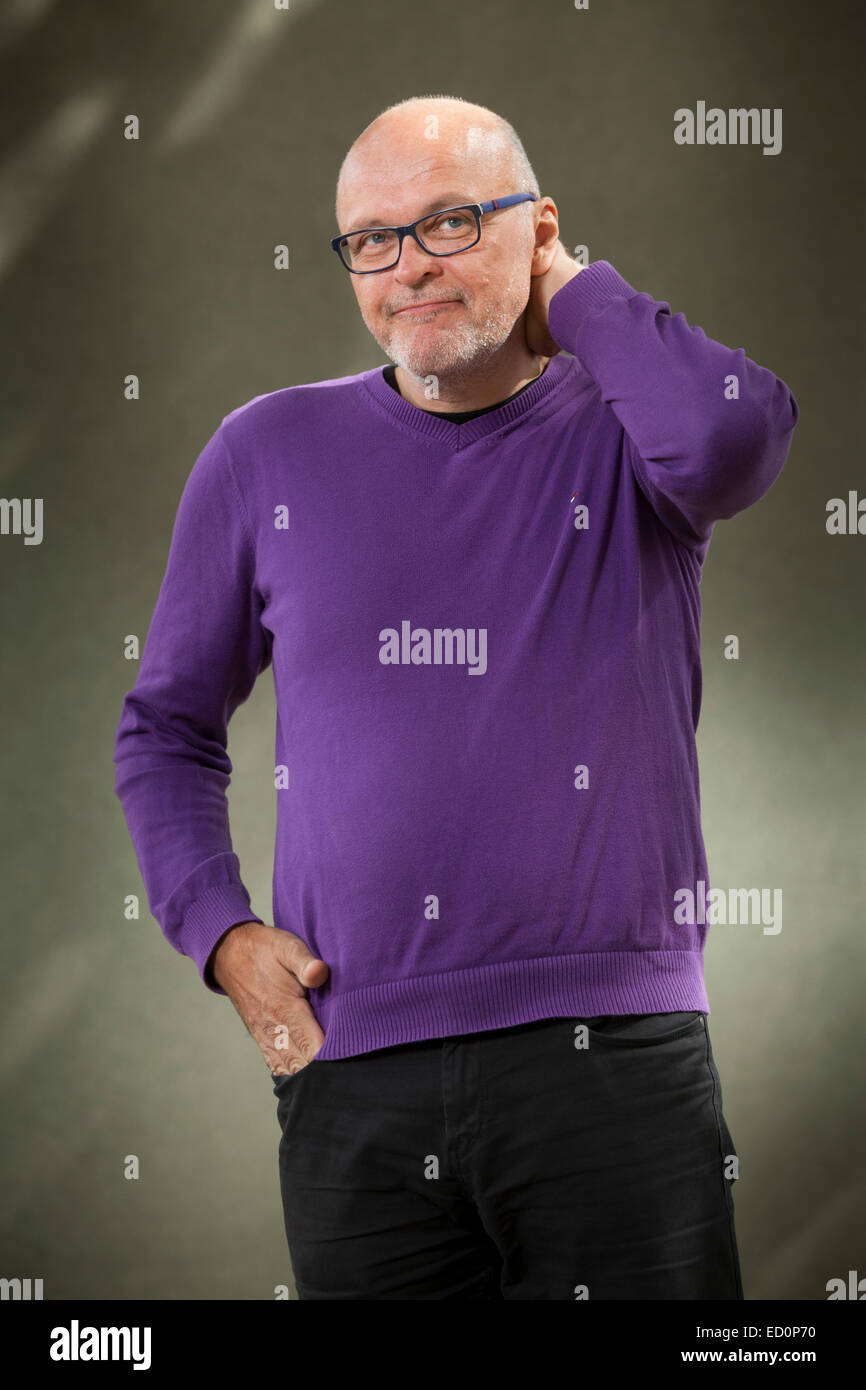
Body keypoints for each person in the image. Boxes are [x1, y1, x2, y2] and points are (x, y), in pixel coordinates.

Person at [113, 93, 799, 1300]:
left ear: (536, 230)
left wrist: (573, 292)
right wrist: (222, 938)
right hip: (354, 1072)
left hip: (612, 1058)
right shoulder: (264, 452)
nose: (405, 267)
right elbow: (165, 730)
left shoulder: (626, 437)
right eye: (369, 239)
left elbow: (732, 440)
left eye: (447, 222)